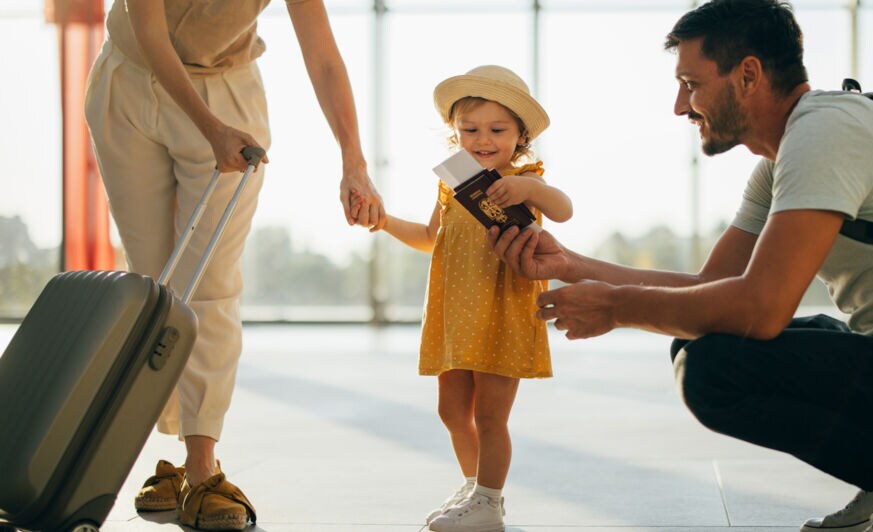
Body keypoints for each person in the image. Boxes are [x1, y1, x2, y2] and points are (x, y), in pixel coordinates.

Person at [487, 1, 873, 530]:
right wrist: (575, 266)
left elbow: (761, 310)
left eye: (690, 84)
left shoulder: (827, 133)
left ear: (748, 75)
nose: (681, 107)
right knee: (702, 340)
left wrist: (615, 306)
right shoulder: (785, 158)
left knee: (715, 369)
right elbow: (713, 288)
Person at [83, 0, 385, 529]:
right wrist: (208, 128)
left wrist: (353, 161)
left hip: (226, 89)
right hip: (128, 83)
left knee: (210, 283)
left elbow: (324, 57)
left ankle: (201, 466)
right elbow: (151, 34)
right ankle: (174, 452)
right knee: (154, 285)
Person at [374, 64, 571, 532]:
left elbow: (563, 209)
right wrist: (381, 221)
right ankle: (474, 488)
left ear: (520, 135)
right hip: (456, 313)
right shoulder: (454, 183)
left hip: (504, 311)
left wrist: (526, 188)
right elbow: (429, 237)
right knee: (451, 410)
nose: (483, 139)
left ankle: (489, 500)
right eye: (470, 129)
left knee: (490, 413)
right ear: (455, 132)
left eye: (498, 129)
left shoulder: (528, 178)